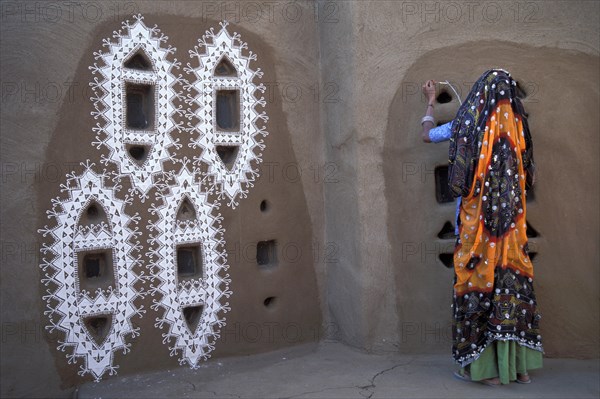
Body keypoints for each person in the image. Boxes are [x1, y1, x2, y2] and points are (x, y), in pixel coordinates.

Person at [420, 69, 543, 386]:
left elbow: (428, 135)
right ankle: (519, 368)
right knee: (509, 287)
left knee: (478, 286)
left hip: (477, 234)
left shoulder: (466, 125)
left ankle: (485, 371)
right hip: (512, 234)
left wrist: (431, 103)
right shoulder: (519, 130)